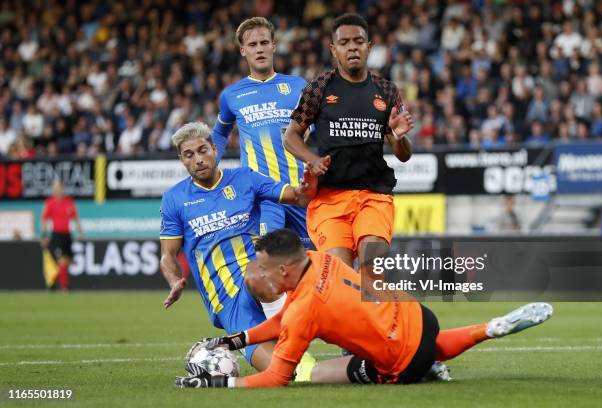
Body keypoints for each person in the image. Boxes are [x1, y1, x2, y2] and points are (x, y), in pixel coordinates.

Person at [175, 229, 554, 388]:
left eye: (261, 266)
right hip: (418, 316)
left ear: (284, 269)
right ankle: (485, 329)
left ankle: (439, 358)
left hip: (399, 360)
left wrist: (219, 382)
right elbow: (281, 321)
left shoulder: (305, 309)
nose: (256, 272)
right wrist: (237, 340)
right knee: (425, 344)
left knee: (319, 375)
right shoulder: (319, 258)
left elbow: (277, 378)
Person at [159, 122, 316, 372]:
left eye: (202, 150)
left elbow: (294, 195)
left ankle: (301, 333)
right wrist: (174, 279)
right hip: (225, 298)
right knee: (287, 373)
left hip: (263, 275)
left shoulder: (244, 177)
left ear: (214, 148)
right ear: (182, 160)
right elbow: (168, 255)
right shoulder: (174, 199)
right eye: (189, 155)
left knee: (262, 275)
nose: (198, 159)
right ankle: (303, 366)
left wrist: (307, 183)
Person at [283, 13, 414, 271]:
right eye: (344, 42)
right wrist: (314, 160)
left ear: (369, 47)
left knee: (371, 276)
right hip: (330, 199)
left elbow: (403, 154)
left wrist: (398, 137)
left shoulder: (386, 90)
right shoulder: (319, 88)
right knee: (339, 280)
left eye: (359, 41)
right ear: (334, 49)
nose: (352, 47)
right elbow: (290, 136)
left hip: (374, 196)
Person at [212, 16, 311, 318]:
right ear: (243, 51)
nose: (259, 49)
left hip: (299, 192)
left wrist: (308, 136)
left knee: (316, 266)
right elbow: (219, 132)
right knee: (267, 266)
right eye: (252, 44)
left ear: (273, 46)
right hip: (263, 196)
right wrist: (210, 168)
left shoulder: (296, 87)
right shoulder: (232, 95)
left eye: (264, 43)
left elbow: (315, 127)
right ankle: (280, 343)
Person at [41, 180, 83, 290]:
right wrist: (44, 236)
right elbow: (44, 220)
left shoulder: (69, 202)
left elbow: (76, 217)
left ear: (62, 189)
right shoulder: (50, 203)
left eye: (59, 188)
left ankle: (53, 281)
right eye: (55, 189)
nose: (57, 191)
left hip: (67, 235)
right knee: (62, 261)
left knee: (68, 261)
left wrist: (80, 232)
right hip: (57, 235)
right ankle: (64, 287)